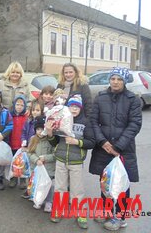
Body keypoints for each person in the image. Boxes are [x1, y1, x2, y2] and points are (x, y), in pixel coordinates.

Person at [89, 67, 142, 231]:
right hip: (103, 148)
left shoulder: (133, 99)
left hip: (123, 150)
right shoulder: (100, 97)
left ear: (124, 81)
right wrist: (103, 142)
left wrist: (118, 146)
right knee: (105, 183)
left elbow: (135, 124)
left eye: (119, 79)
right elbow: (93, 121)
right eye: (113, 78)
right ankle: (106, 212)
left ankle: (120, 217)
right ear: (109, 80)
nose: (115, 82)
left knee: (121, 185)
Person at [47, 94, 95, 229]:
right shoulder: (61, 119)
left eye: (76, 107)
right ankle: (58, 210)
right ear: (67, 107)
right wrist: (50, 133)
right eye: (71, 106)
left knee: (77, 190)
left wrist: (77, 142)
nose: (73, 109)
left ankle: (79, 213)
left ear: (81, 108)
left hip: (76, 162)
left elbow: (91, 142)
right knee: (60, 187)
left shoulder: (85, 122)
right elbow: (54, 142)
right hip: (61, 160)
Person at [27, 116, 55, 213]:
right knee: (38, 184)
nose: (40, 131)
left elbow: (55, 155)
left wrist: (45, 158)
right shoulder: (33, 139)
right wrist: (36, 160)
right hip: (37, 167)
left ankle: (48, 202)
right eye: (38, 129)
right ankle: (39, 199)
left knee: (49, 185)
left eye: (42, 129)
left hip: (48, 168)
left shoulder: (51, 140)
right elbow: (29, 152)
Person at [9, 95, 28, 188]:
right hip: (12, 143)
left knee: (23, 162)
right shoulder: (10, 115)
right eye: (17, 104)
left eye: (22, 105)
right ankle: (13, 178)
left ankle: (23, 179)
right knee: (13, 162)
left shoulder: (26, 117)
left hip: (22, 144)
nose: (19, 107)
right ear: (14, 105)